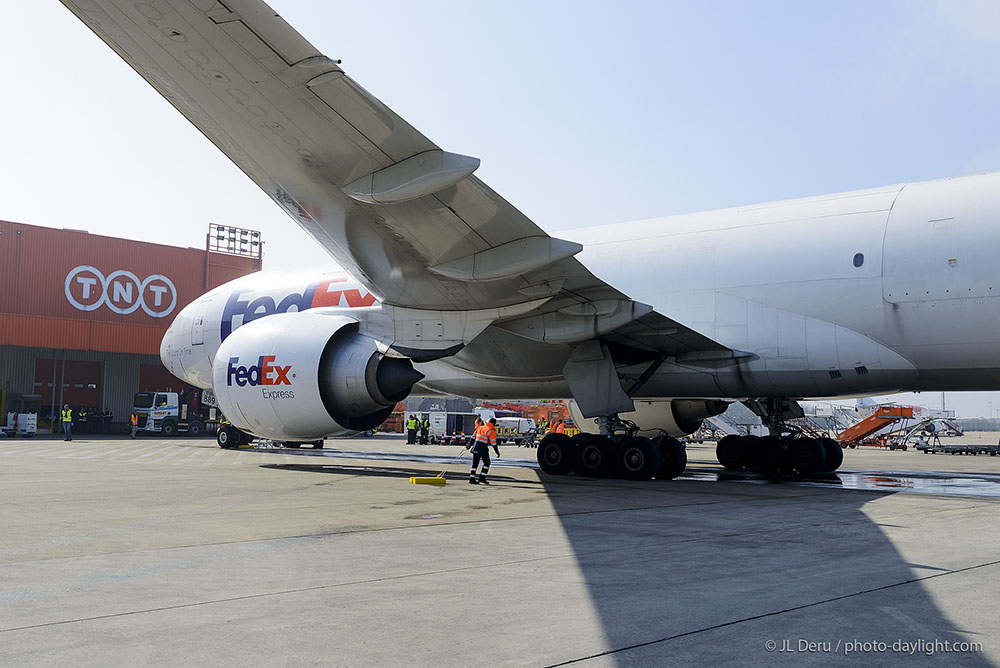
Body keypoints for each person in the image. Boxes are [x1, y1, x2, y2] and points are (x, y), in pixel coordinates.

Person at [469, 417, 500, 485]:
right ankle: (482, 478)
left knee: (475, 464)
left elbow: (473, 437)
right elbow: (493, 443)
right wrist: (497, 452)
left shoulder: (480, 427)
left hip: (476, 446)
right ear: (493, 423)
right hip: (483, 448)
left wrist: (469, 445)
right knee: (487, 463)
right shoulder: (491, 430)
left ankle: (472, 479)